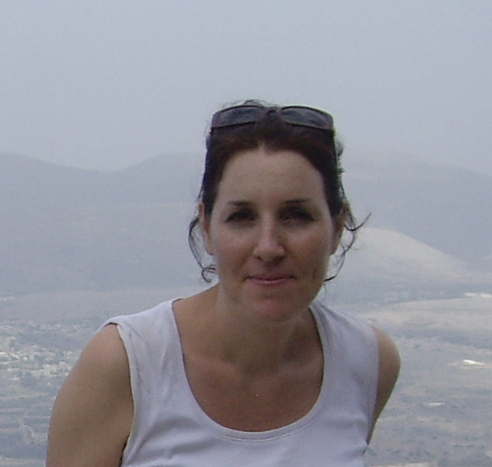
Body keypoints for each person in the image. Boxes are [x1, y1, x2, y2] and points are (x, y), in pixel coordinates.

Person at [46, 101, 400, 466]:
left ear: (336, 227)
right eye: (242, 217)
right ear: (206, 227)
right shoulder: (127, 365)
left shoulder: (365, 360)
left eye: (296, 216)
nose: (268, 247)